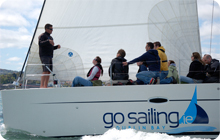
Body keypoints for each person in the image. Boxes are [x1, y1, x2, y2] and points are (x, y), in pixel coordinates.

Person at [38, 23, 61, 88]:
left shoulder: (51, 37)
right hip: (44, 55)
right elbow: (40, 43)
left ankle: (45, 85)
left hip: (50, 56)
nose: (52, 30)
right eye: (51, 29)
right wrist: (48, 41)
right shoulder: (42, 36)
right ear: (46, 29)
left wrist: (56, 47)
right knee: (45, 70)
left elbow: (51, 48)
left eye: (52, 29)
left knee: (49, 71)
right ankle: (41, 86)